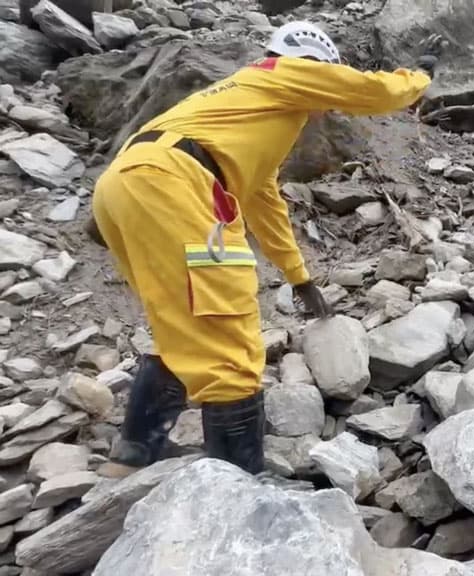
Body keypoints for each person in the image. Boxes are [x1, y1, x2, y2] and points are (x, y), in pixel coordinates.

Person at [88, 20, 434, 478]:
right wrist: (419, 78)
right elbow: (373, 91)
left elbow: (263, 203)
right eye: (325, 82)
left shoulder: (247, 115)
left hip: (125, 185)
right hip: (178, 182)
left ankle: (132, 456)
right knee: (230, 341)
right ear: (315, 67)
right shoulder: (283, 72)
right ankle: (238, 488)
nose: (324, 107)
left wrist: (299, 277)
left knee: (183, 327)